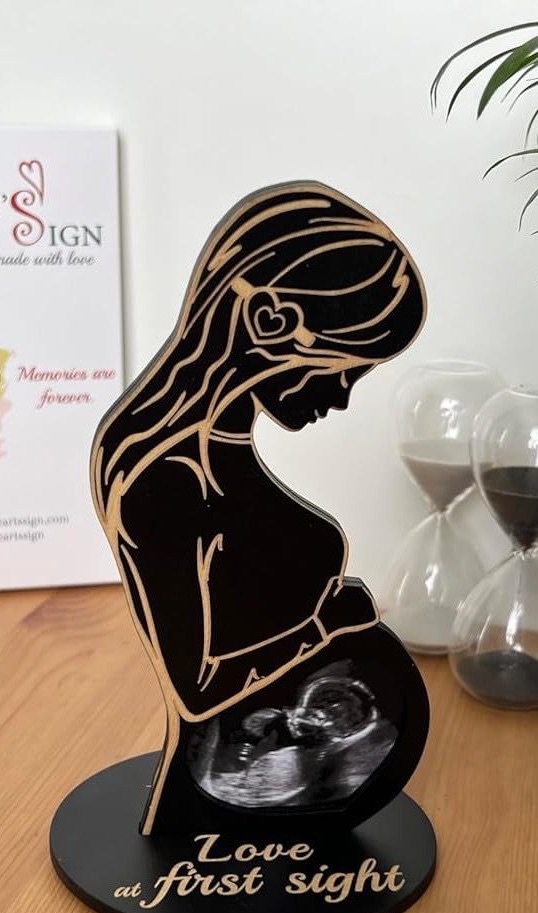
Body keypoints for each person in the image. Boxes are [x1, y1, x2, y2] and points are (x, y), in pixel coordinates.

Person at [92, 183, 429, 834]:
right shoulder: (167, 479)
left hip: (311, 771)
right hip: (243, 780)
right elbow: (196, 689)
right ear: (268, 323)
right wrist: (323, 626)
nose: (341, 396)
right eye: (341, 368)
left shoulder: (218, 452)